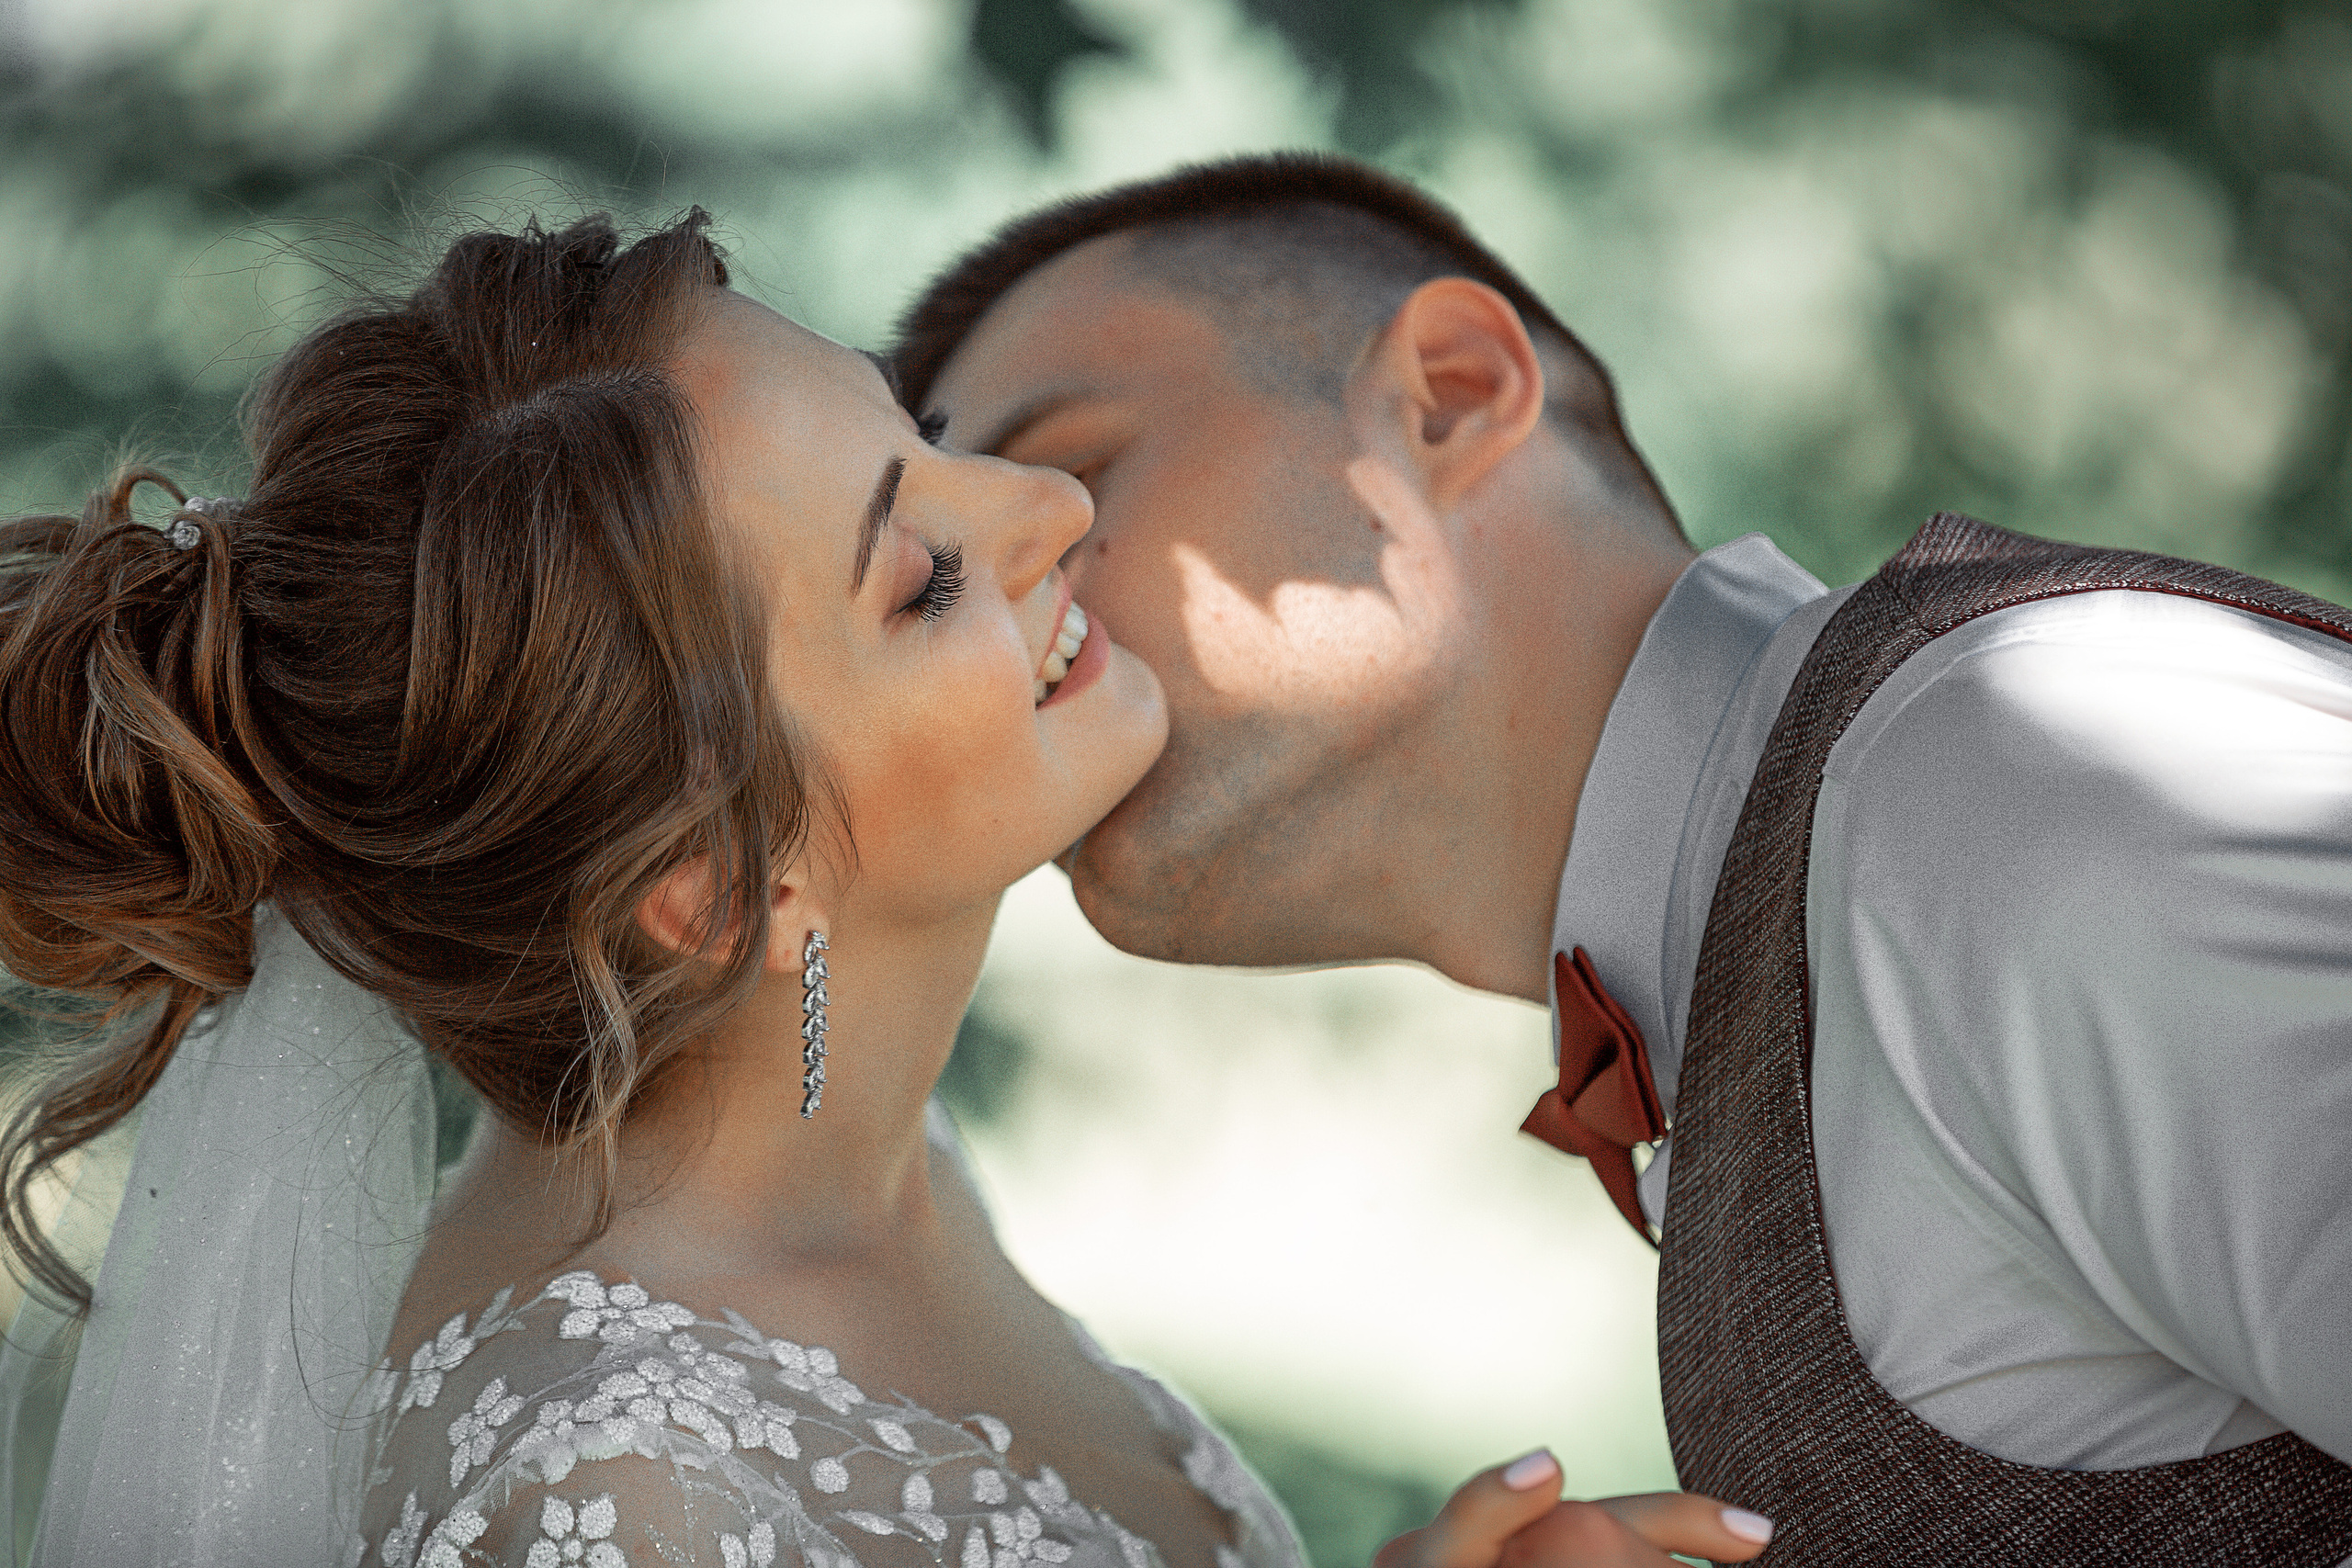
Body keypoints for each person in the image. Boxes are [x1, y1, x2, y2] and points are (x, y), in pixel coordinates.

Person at [0, 212, 1771, 1568]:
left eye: (920, 433)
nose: (1051, 502)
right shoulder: (599, 1497)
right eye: (924, 577)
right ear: (707, 889)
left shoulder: (900, 1177)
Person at [893, 153, 2352, 1563]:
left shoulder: (2002, 773)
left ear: (1451, 393)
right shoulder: (1836, 899)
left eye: (1066, 472)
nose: (1002, 621)